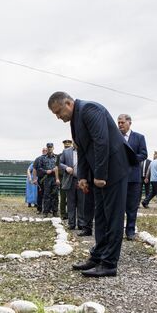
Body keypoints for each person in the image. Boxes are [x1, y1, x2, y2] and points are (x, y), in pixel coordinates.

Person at [48, 91, 136, 278]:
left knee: (113, 217)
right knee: (101, 216)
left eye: (58, 112)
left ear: (68, 103)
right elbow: (84, 149)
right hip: (99, 172)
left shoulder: (89, 109)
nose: (58, 117)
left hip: (113, 170)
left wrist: (100, 175)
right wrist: (83, 177)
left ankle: (109, 263)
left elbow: (101, 142)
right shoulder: (75, 119)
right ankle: (97, 257)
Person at [117, 114, 148, 240]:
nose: (120, 125)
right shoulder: (115, 137)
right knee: (118, 206)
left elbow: (144, 154)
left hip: (133, 177)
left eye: (122, 122)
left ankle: (130, 232)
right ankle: (117, 232)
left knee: (131, 206)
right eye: (118, 123)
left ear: (129, 123)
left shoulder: (139, 137)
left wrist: (131, 159)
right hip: (118, 177)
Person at [59, 141, 80, 229]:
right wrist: (66, 168)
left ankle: (81, 224)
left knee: (81, 203)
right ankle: (71, 223)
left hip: (81, 181)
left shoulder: (85, 150)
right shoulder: (66, 152)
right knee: (71, 202)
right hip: (70, 180)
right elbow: (59, 163)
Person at [37, 143, 60, 217]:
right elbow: (39, 168)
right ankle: (45, 212)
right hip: (46, 178)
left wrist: (57, 178)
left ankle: (55, 211)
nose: (50, 149)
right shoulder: (42, 158)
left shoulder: (57, 157)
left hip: (55, 178)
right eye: (48, 147)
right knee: (46, 195)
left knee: (55, 195)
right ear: (47, 148)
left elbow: (60, 167)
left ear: (53, 148)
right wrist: (46, 171)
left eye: (51, 147)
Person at [58, 139, 73, 218]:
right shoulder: (60, 156)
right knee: (63, 197)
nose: (67, 146)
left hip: (72, 178)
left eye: (68, 146)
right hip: (63, 178)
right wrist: (57, 179)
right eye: (65, 146)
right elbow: (57, 167)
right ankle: (63, 213)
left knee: (71, 198)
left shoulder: (74, 154)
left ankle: (71, 214)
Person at [32, 147, 47, 213]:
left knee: (49, 195)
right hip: (41, 179)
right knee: (40, 194)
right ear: (42, 151)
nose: (45, 151)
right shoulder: (38, 159)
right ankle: (39, 209)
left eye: (46, 150)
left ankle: (48, 209)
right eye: (44, 150)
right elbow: (34, 169)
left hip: (49, 179)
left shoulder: (51, 158)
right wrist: (35, 179)